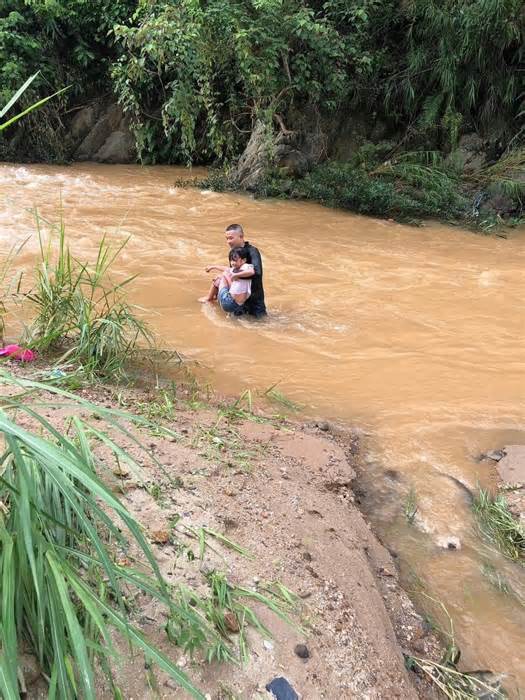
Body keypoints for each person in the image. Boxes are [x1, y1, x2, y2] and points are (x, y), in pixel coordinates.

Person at [199, 223, 267, 317]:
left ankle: (211, 298)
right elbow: (231, 271)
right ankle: (212, 299)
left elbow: (257, 273)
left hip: (254, 301)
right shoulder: (233, 252)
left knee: (261, 324)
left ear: (241, 236)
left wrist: (235, 275)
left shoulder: (252, 251)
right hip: (238, 298)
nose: (228, 242)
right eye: (226, 239)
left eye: (231, 238)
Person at [206, 247, 254, 314]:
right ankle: (212, 297)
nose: (232, 263)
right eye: (231, 260)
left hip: (228, 303)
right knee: (225, 273)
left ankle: (209, 298)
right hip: (238, 305)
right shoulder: (236, 269)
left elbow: (251, 272)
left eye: (235, 260)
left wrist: (236, 275)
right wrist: (213, 267)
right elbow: (226, 269)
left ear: (244, 260)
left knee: (221, 276)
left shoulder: (245, 266)